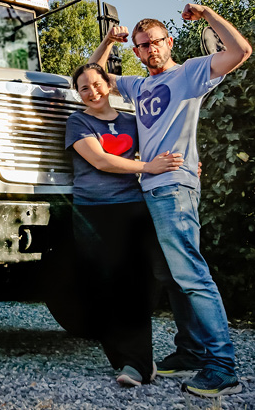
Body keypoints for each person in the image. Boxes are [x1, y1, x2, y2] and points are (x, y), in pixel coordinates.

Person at [89, 3, 252, 397]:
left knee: (192, 276)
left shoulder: (190, 73)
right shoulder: (138, 85)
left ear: (169, 41)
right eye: (143, 46)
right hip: (150, 188)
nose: (151, 50)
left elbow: (241, 51)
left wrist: (210, 14)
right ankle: (191, 352)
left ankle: (223, 367)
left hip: (174, 186)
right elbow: (91, 77)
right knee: (173, 276)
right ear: (137, 52)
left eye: (156, 42)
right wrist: (108, 41)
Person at [65, 62, 184, 387]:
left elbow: (165, 146)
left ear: (109, 84)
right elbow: (100, 159)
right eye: (84, 88)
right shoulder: (78, 122)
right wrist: (146, 165)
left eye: (96, 83)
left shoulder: (134, 121)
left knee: (133, 286)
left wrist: (186, 168)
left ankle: (137, 364)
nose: (92, 92)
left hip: (131, 209)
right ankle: (124, 359)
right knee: (101, 290)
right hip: (92, 213)